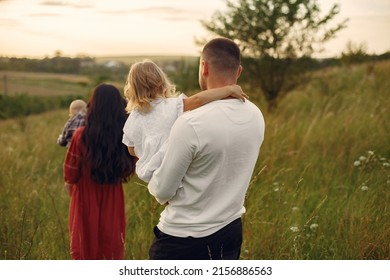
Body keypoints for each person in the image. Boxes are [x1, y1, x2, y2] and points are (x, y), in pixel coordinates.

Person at [147, 37, 265, 260]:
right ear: (238, 71)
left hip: (182, 240)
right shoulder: (255, 115)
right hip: (230, 231)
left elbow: (162, 191)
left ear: (204, 67)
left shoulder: (191, 123)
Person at [122, 59, 248, 183]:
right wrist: (228, 90)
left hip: (151, 173)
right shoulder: (171, 105)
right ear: (161, 82)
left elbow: (131, 149)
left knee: (167, 198)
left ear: (133, 88)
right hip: (176, 167)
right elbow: (199, 99)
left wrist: (149, 149)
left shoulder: (134, 117)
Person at [63, 84, 135, 260]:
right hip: (113, 194)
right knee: (110, 246)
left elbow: (70, 172)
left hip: (85, 196)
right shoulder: (125, 134)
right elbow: (132, 163)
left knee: (84, 246)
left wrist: (70, 185)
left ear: (93, 105)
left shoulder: (81, 135)